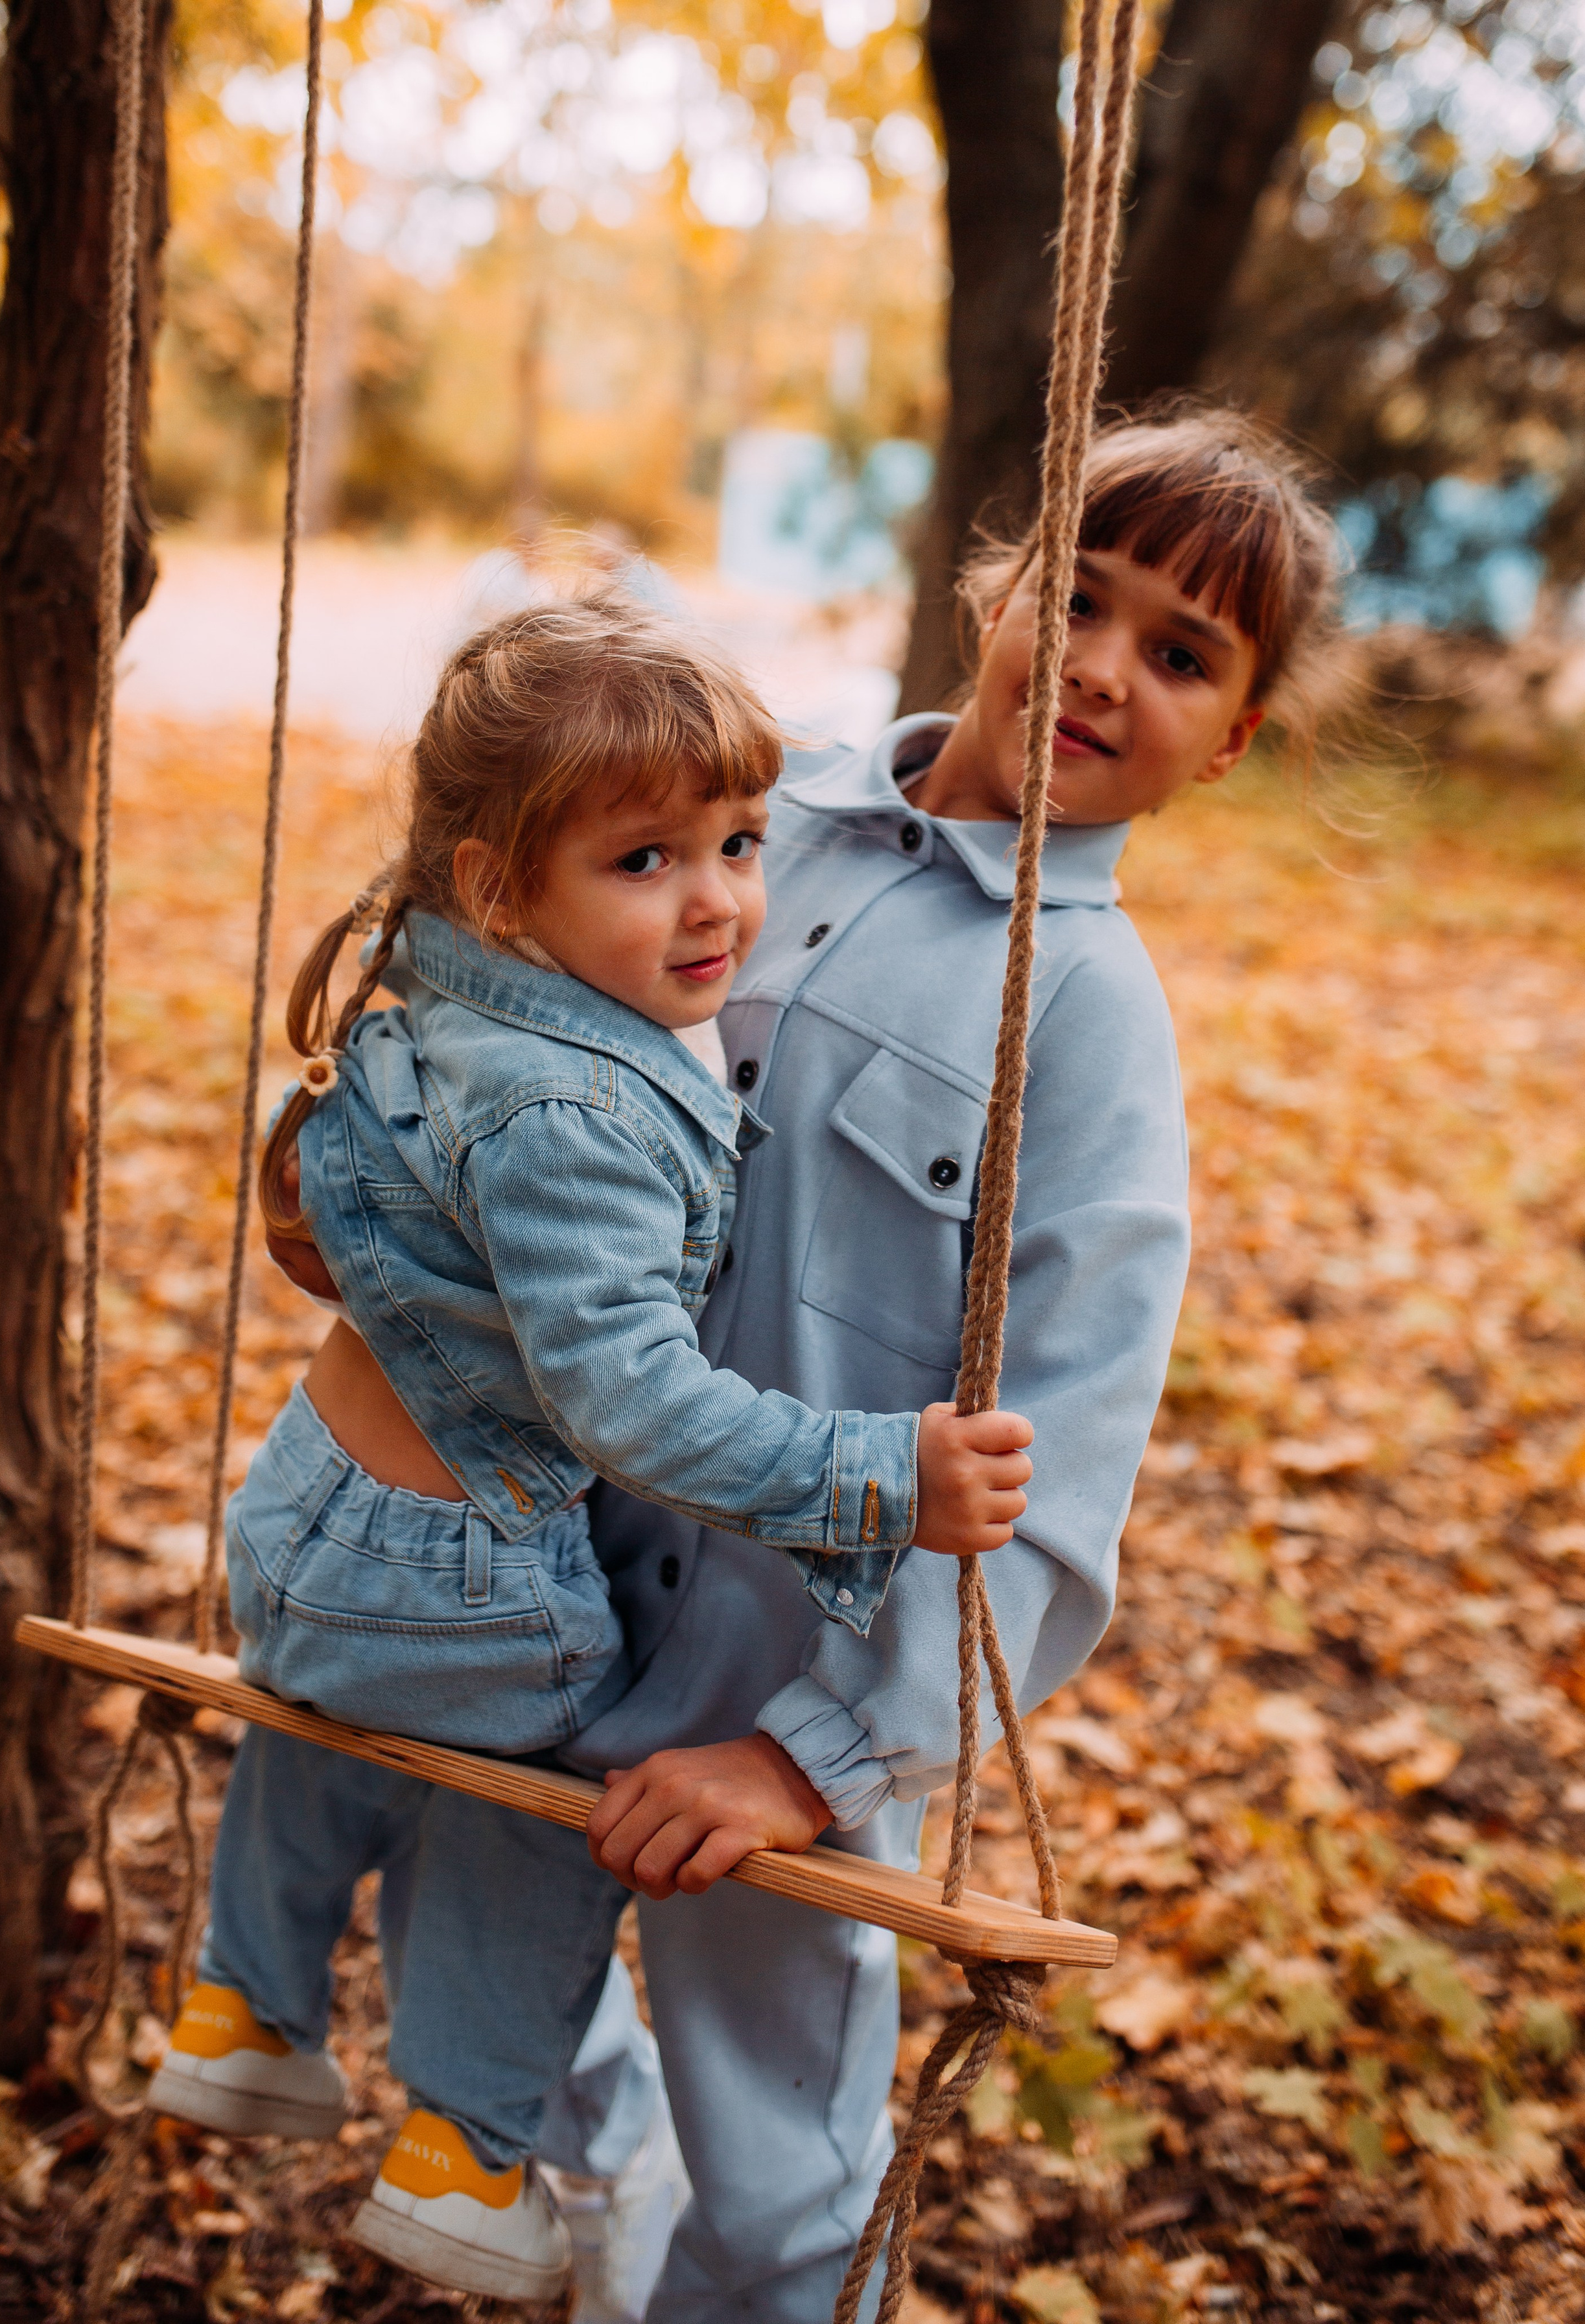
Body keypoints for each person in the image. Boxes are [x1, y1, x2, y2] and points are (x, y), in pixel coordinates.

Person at [521, 407, 1352, 2323]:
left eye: (1180, 652)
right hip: (533, 1570)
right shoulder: (750, 802)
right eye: (1080, 594)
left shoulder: (1092, 1025)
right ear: (996, 586)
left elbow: (1055, 1474)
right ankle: (594, 2220)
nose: (1099, 665)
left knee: (789, 2191)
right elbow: (516, 1027)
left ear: (1231, 738)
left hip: (771, 1673)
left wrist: (813, 1760)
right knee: (488, 2035)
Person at [148, 596, 1033, 2304]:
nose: (718, 901)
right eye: (646, 861)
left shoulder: (434, 1004)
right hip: (460, 1574)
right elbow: (625, 1403)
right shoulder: (578, 1115)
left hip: (301, 1531)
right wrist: (876, 1477)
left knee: (327, 1718)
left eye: (739, 842)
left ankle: (239, 2007)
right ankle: (467, 2148)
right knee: (567, 1793)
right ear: (502, 886)